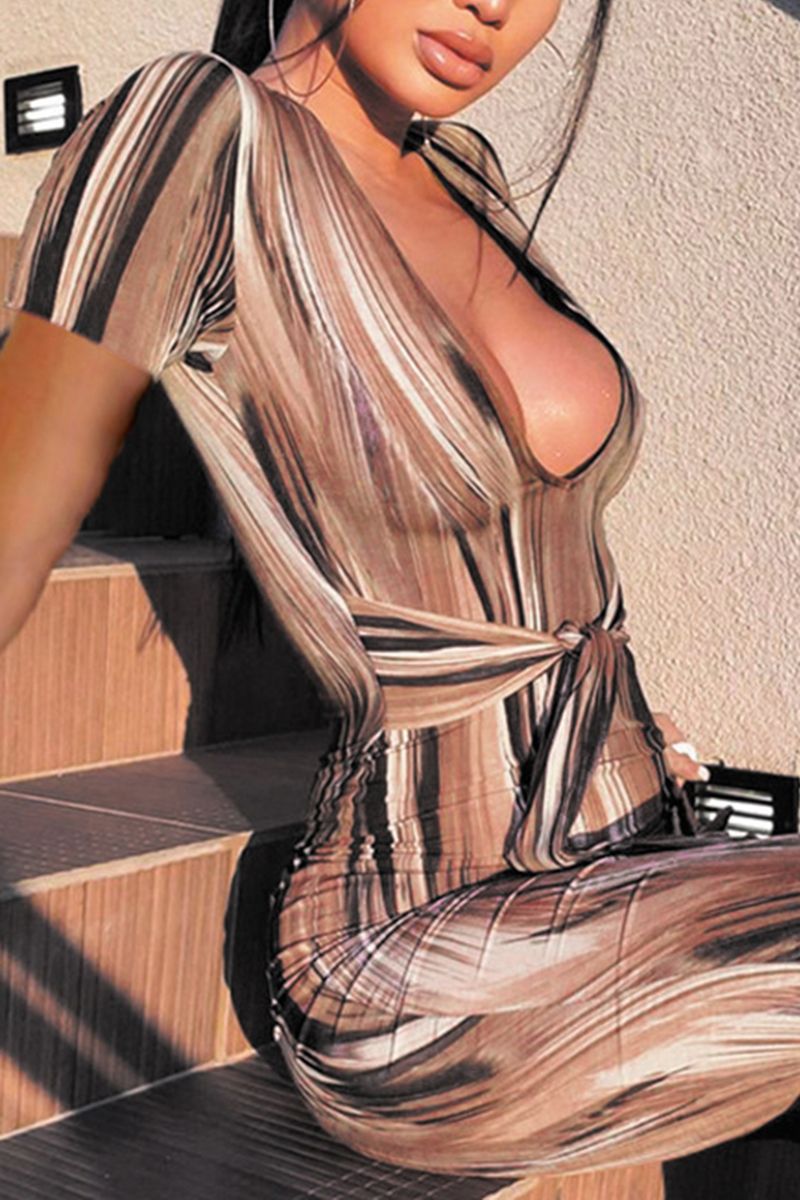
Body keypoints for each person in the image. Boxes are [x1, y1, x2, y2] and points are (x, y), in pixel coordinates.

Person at [1, 0, 798, 1185]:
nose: (495, 7)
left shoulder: (465, 174)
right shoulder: (200, 130)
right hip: (414, 952)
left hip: (627, 854)